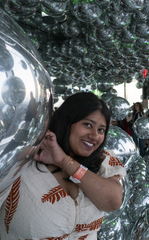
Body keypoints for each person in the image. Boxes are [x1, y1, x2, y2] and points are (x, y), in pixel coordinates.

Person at [0, 92, 126, 239]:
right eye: (87, 124)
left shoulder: (102, 160)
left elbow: (113, 202)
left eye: (101, 130)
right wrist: (30, 147)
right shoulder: (27, 161)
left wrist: (64, 161)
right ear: (67, 122)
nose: (94, 135)